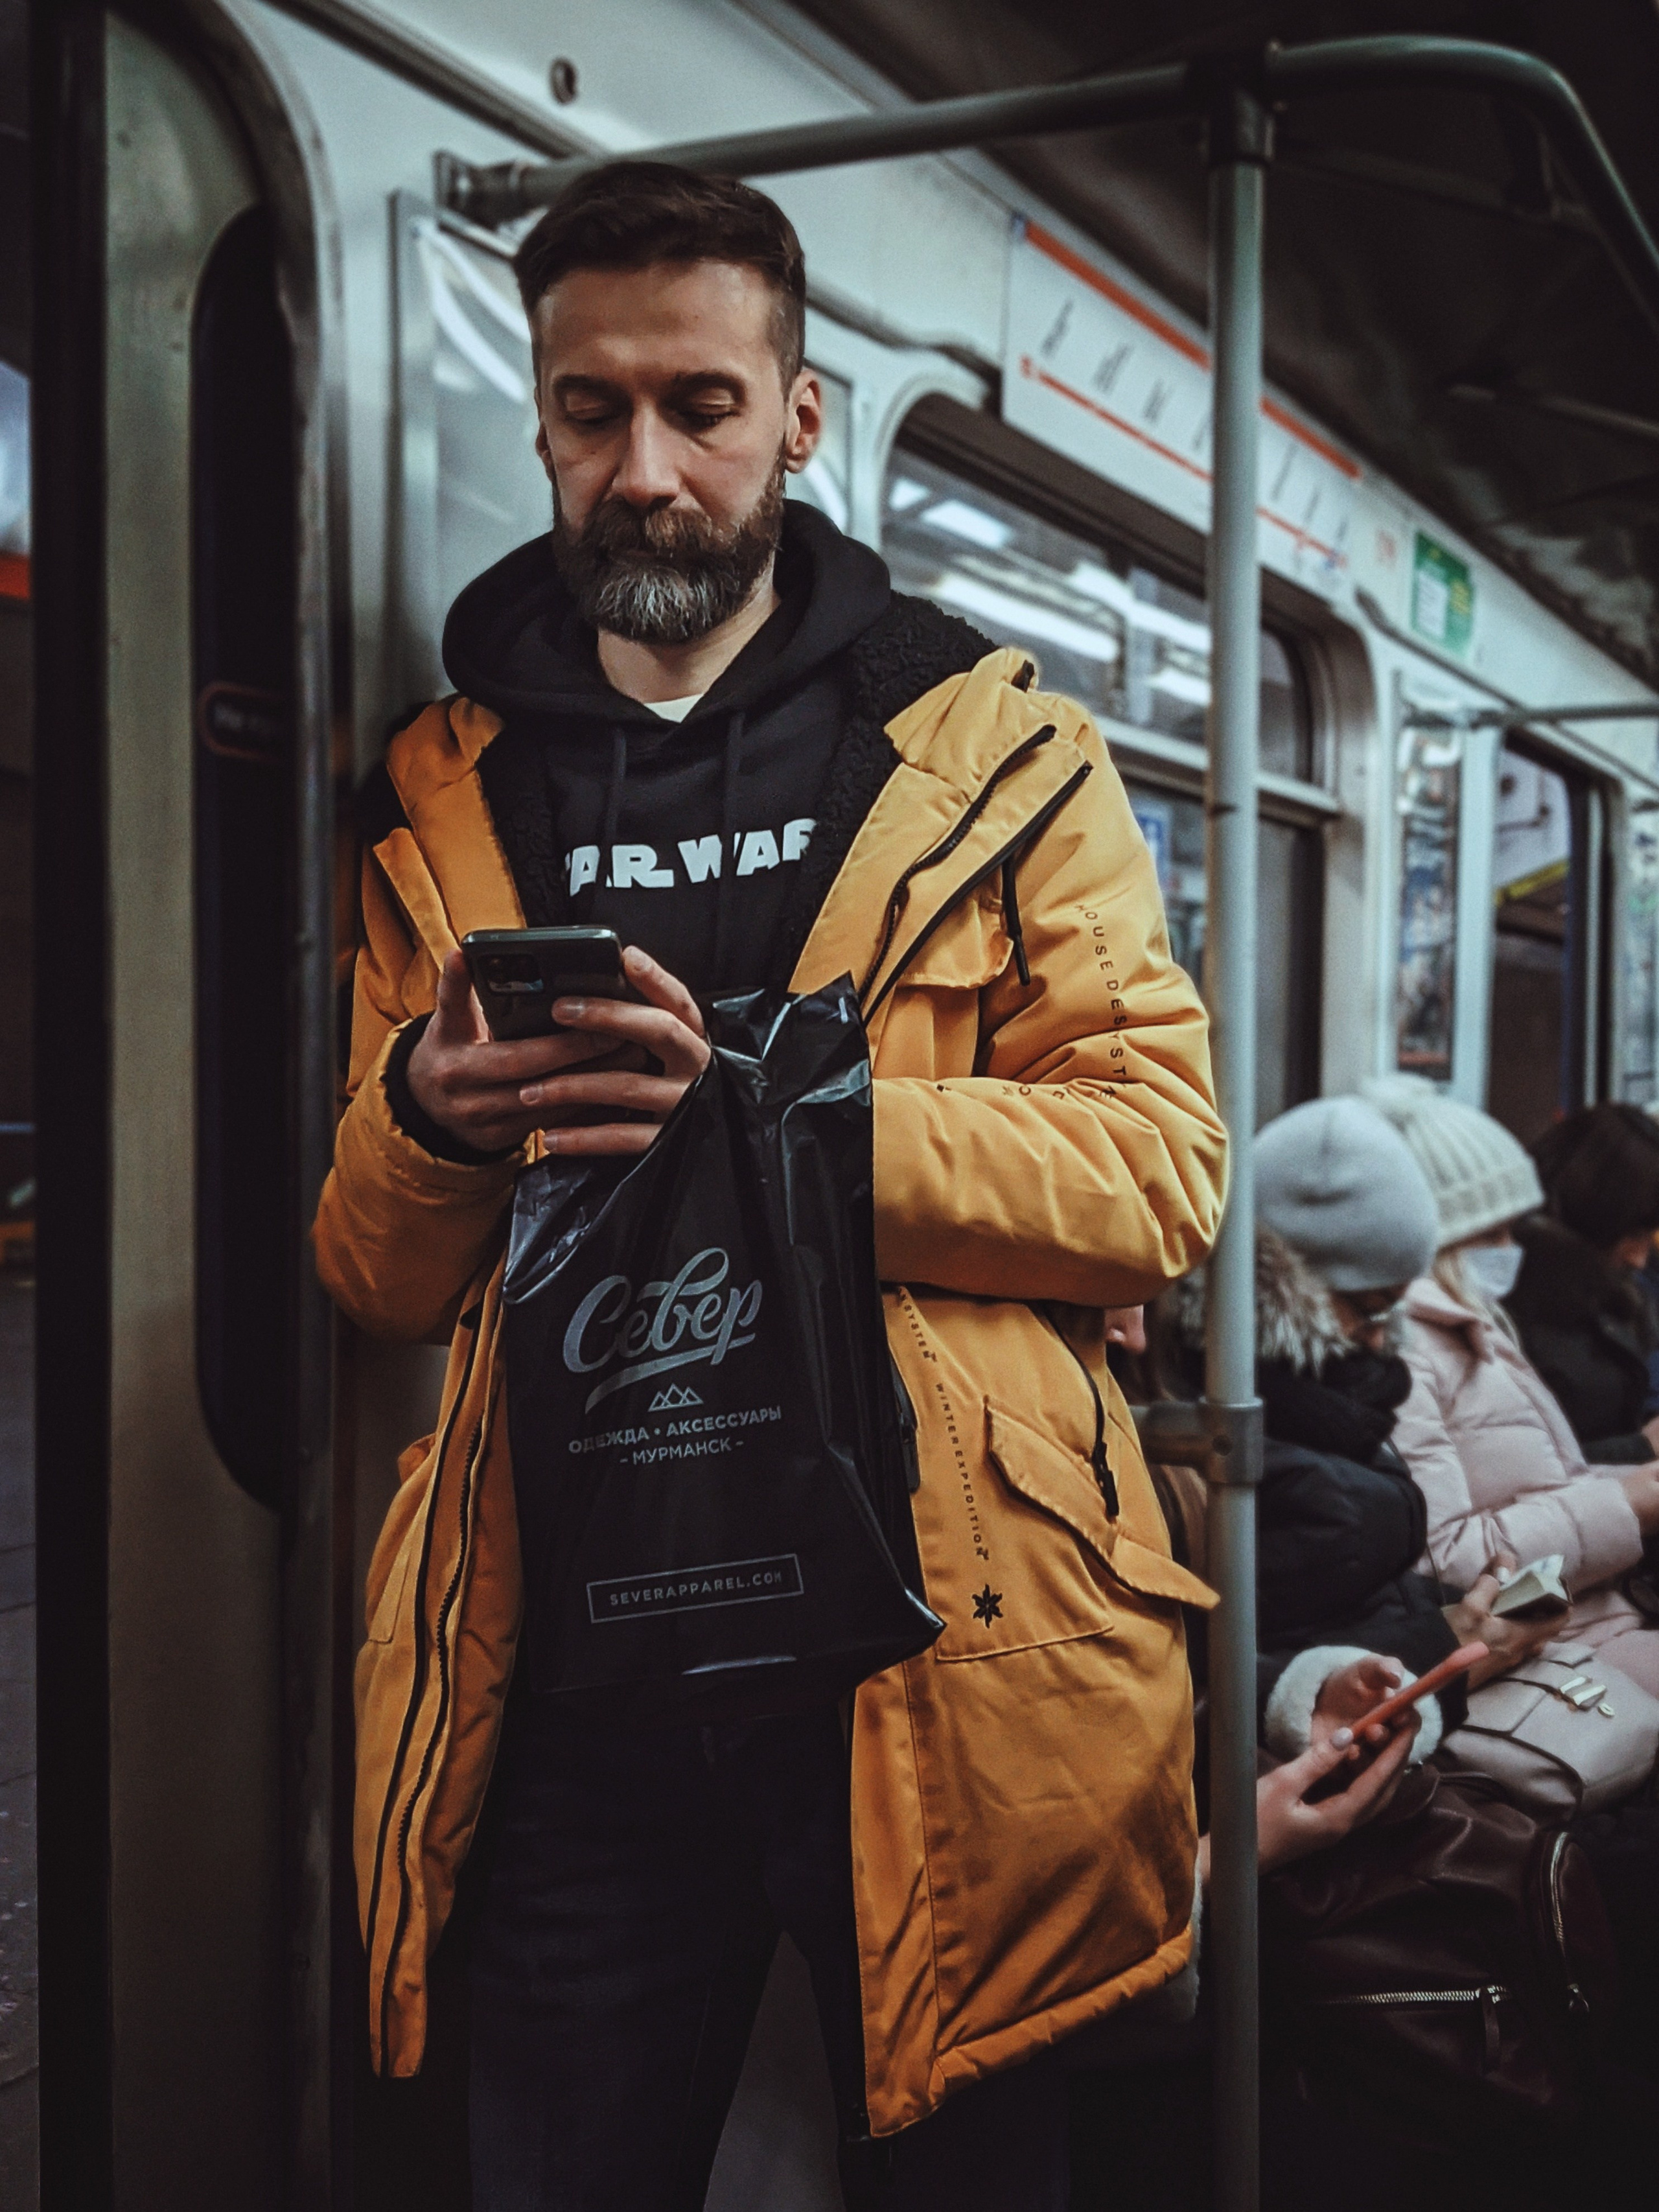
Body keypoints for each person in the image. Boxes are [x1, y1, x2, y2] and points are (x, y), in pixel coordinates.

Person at [315, 162, 1228, 2211]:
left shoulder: (997, 753)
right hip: (567, 1666)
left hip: (931, 1636)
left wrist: (781, 1120)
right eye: (588, 410)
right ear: (543, 416)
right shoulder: (446, 793)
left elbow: (1155, 1169)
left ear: (798, 415)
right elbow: (371, 1272)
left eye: (701, 406)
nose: (643, 470)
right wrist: (438, 1116)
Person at [1359, 1078, 1659, 1710]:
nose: (1511, 1252)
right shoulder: (1411, 1348)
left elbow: (1539, 1481)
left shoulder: (1474, 1324)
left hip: (1579, 1612)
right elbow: (1441, 1556)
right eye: (1492, 1235)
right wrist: (1629, 1499)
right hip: (1553, 1636)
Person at [1507, 1102, 1659, 1463]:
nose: (1639, 1257)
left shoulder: (1611, 1289)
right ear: (1597, 1212)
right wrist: (1641, 1449)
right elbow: (1509, 1469)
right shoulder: (1513, 1302)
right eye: (1633, 1236)